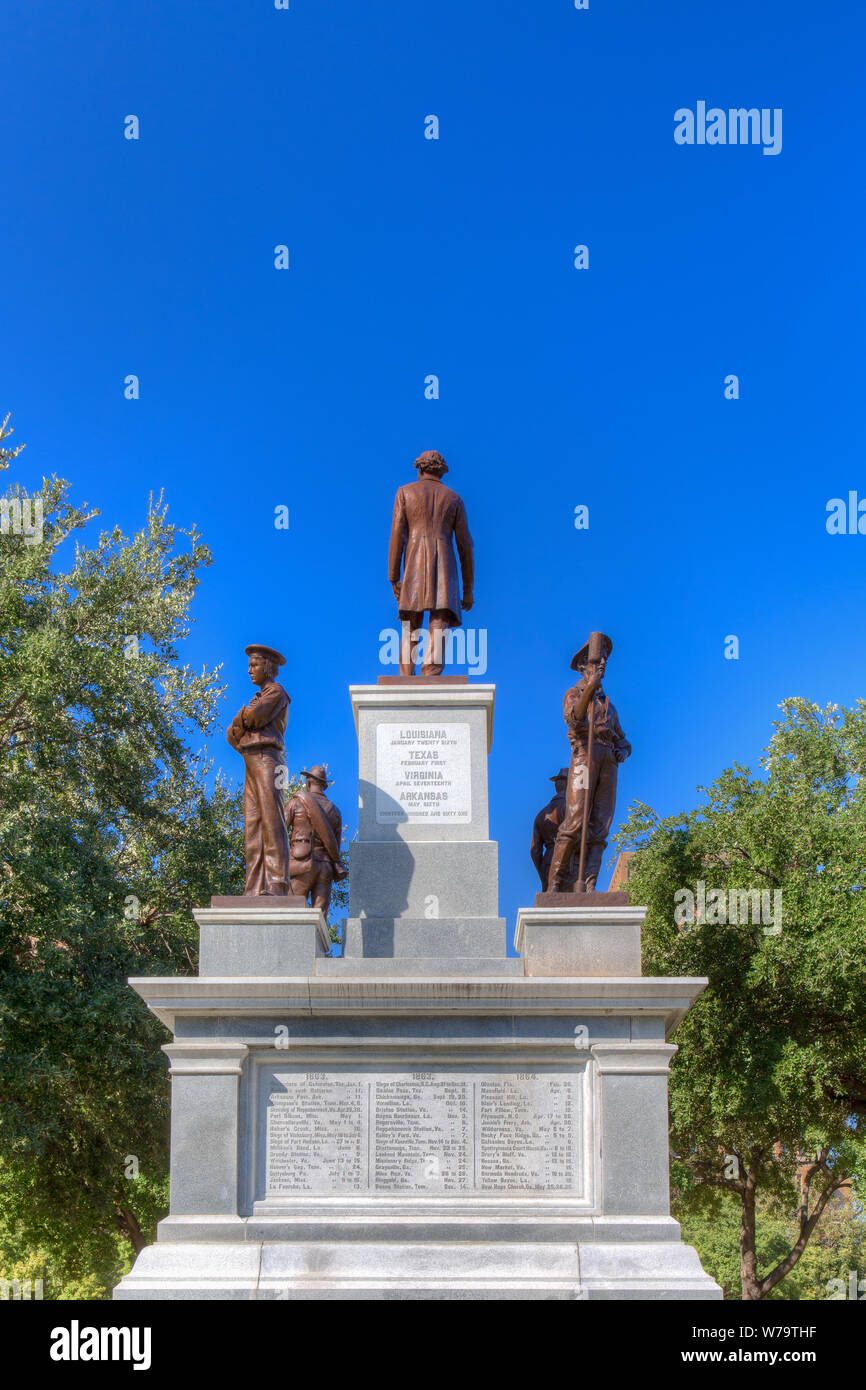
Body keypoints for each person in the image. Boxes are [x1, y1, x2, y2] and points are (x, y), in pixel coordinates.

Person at [547, 634, 631, 893]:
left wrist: (622, 750)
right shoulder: (574, 694)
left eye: (604, 659)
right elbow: (574, 718)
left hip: (607, 760)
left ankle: (590, 883)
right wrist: (591, 688)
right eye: (597, 659)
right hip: (585, 756)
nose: (603, 662)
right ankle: (555, 884)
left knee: (601, 823)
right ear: (583, 665)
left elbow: (623, 739)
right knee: (575, 818)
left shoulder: (609, 706)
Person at [388, 449, 474, 676]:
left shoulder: (405, 493)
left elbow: (397, 536)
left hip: (414, 563)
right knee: (439, 620)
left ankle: (406, 674)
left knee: (410, 622)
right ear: (442, 472)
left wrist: (393, 576)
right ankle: (431, 672)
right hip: (445, 566)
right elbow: (465, 547)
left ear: (420, 469)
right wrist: (468, 590)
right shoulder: (454, 499)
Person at [227, 644, 290, 896]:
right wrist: (244, 718)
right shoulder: (258, 698)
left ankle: (278, 883)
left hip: (269, 759)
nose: (249, 670)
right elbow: (232, 736)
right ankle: (253, 888)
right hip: (251, 760)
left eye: (254, 665)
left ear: (267, 666)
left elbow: (255, 718)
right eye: (249, 665)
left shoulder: (276, 692)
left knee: (272, 820)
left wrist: (242, 715)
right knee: (252, 824)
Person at [285, 765, 347, 912]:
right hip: (326, 867)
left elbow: (279, 831)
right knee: (321, 915)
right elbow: (335, 846)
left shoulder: (297, 802)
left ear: (308, 782)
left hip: (302, 862)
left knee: (292, 910)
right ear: (324, 785)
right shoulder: (335, 811)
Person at [530, 768, 579, 891]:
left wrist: (542, 871)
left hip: (548, 862)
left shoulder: (540, 815)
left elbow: (534, 850)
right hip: (569, 863)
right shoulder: (573, 810)